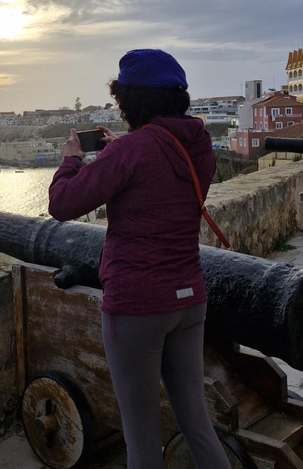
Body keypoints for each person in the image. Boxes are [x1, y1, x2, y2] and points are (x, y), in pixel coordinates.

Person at [48, 49, 230, 469]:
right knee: (198, 426)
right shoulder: (200, 144)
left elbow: (62, 203)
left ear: (130, 100)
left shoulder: (130, 151)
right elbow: (159, 179)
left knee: (142, 438)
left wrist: (72, 160)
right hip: (189, 298)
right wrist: (119, 152)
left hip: (138, 305)